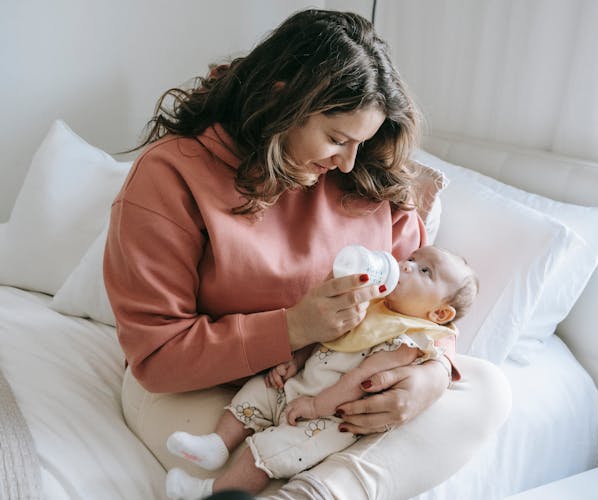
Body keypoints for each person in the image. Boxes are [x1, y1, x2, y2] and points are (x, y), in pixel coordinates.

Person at [103, 8, 511, 499]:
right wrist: (294, 328)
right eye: (337, 138)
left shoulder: (366, 175)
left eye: (361, 143)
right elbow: (159, 356)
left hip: (328, 383)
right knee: (261, 454)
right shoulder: (171, 176)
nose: (348, 161)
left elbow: (424, 314)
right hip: (200, 389)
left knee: (487, 388)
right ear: (283, 99)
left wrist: (433, 374)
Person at [164, 246, 478, 499]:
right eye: (411, 258)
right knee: (257, 393)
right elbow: (325, 333)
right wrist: (296, 360)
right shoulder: (372, 301)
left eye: (425, 271)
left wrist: (316, 406)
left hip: (328, 417)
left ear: (438, 313)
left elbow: (360, 380)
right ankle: (216, 445)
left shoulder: (408, 340)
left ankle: (208, 493)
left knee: (265, 454)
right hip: (300, 384)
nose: (406, 265)